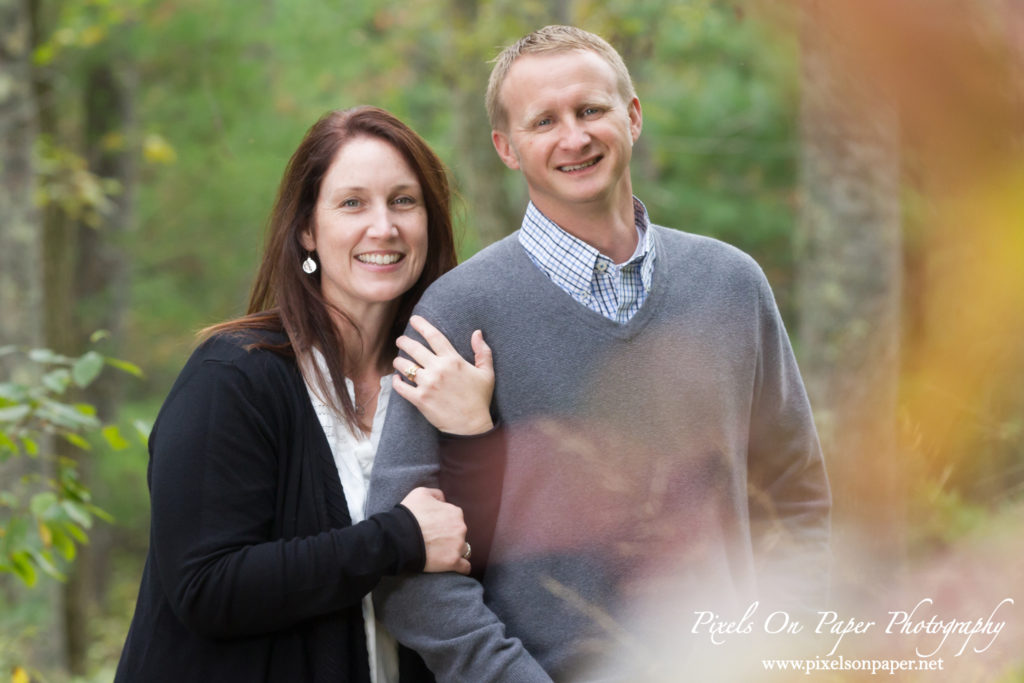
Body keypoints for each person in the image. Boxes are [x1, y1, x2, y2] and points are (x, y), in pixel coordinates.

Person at [366, 25, 832, 682]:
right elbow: (410, 567)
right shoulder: (455, 312)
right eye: (544, 121)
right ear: (506, 146)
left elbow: (798, 499)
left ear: (632, 116)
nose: (574, 137)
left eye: (591, 110)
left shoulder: (731, 284)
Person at [115, 106, 498, 683]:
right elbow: (206, 587)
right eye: (352, 203)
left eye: (403, 201)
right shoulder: (233, 376)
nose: (384, 227)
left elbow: (483, 570)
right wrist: (394, 540)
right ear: (307, 229)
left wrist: (475, 436)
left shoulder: (441, 381)